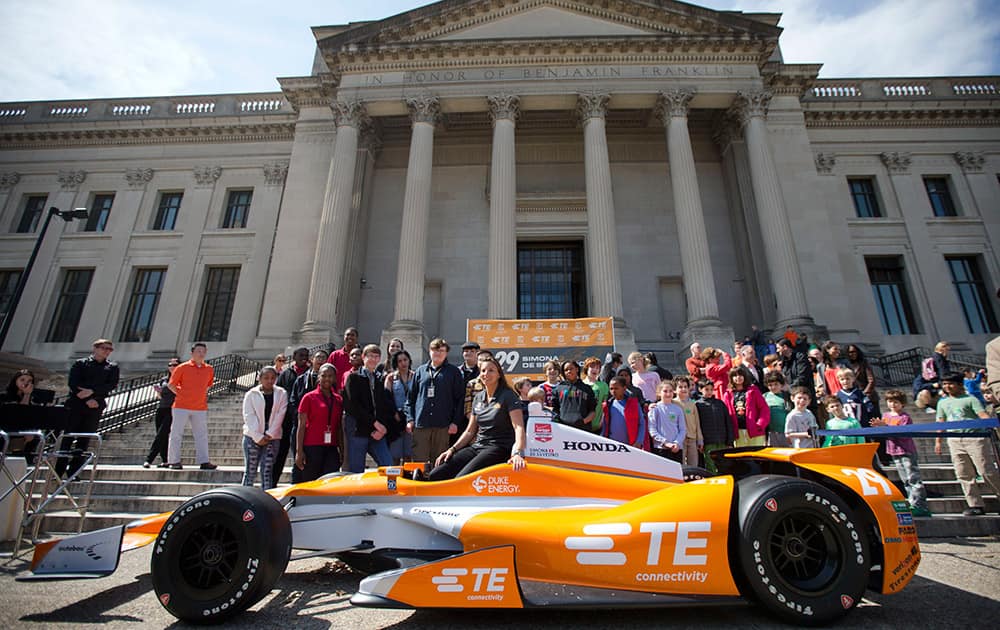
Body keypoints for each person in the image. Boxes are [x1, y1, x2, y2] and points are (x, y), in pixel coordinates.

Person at [429, 355, 526, 480]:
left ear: (499, 375)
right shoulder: (478, 397)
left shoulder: (508, 395)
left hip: (498, 448)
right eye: (483, 370)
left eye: (491, 370)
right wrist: (452, 450)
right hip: (477, 446)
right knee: (436, 474)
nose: (486, 374)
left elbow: (519, 428)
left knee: (461, 478)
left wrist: (518, 453)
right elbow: (470, 431)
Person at [934, 372, 1000, 516]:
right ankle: (975, 504)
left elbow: (982, 415)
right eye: (944, 384)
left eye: (950, 384)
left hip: (974, 437)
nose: (947, 387)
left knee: (985, 470)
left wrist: (992, 426)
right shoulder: (942, 402)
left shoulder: (970, 399)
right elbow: (941, 421)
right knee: (963, 473)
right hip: (954, 439)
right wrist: (938, 441)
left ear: (959, 385)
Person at [56, 338, 120, 478]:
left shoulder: (112, 367)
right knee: (67, 438)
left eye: (109, 349)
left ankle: (74, 472)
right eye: (104, 348)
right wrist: (87, 398)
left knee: (84, 440)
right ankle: (58, 471)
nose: (107, 352)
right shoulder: (80, 364)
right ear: (95, 348)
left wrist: (92, 392)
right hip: (76, 404)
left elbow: (111, 385)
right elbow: (74, 384)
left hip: (96, 405)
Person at [870, 390, 931, 517]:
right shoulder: (886, 416)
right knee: (905, 479)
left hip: (906, 450)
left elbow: (902, 434)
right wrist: (879, 427)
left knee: (913, 477)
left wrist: (885, 426)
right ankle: (911, 502)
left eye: (896, 402)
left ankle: (921, 505)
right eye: (890, 401)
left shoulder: (905, 418)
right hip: (893, 450)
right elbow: (884, 433)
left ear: (902, 404)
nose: (892, 404)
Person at [407, 338, 466, 464]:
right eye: (435, 350)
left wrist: (455, 422)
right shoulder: (420, 371)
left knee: (439, 462)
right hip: (421, 423)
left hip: (443, 425)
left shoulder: (454, 372)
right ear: (429, 351)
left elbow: (460, 399)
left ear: (446, 353)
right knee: (419, 461)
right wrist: (410, 419)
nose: (438, 353)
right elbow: (410, 398)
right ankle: (419, 483)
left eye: (441, 350)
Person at [342, 344, 394, 472]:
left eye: (376, 357)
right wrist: (375, 424)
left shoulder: (378, 379)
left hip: (376, 432)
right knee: (356, 470)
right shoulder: (353, 378)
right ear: (363, 357)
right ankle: (356, 493)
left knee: (388, 465)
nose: (373, 359)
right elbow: (353, 406)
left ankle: (387, 492)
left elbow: (382, 406)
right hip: (358, 431)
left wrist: (382, 427)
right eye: (370, 356)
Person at [166, 343, 217, 470]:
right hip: (181, 406)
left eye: (203, 351)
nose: (201, 353)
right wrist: (182, 394)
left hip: (200, 407)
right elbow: (171, 385)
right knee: (176, 433)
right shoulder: (182, 367)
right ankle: (174, 461)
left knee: (201, 434)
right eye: (198, 351)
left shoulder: (209, 369)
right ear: (192, 353)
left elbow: (209, 384)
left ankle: (204, 461)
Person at [295, 364, 343, 482]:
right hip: (312, 447)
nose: (327, 378)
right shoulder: (308, 398)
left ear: (334, 378)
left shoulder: (338, 399)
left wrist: (342, 450)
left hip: (331, 446)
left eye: (330, 376)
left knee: (330, 481)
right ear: (318, 377)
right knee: (310, 481)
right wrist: (299, 452)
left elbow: (339, 427)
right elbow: (301, 426)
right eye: (324, 375)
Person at [241, 366, 287, 488]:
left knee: (267, 471)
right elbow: (248, 415)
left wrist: (270, 434)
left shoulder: (281, 393)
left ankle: (267, 498)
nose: (269, 381)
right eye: (266, 378)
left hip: (272, 435)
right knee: (250, 471)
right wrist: (258, 436)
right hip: (253, 435)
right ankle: (245, 497)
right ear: (260, 378)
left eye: (272, 378)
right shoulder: (251, 394)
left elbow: (280, 414)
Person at [287, 350, 329, 483]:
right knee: (299, 461)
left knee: (316, 463)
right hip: (301, 426)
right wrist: (303, 416)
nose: (321, 360)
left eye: (324, 357)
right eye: (318, 357)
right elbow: (293, 402)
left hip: (318, 430)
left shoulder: (329, 381)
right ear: (312, 359)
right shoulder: (301, 379)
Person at [273, 347, 310, 486]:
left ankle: (297, 485)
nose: (304, 358)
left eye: (306, 356)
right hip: (286, 420)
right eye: (301, 355)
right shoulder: (286, 374)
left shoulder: (309, 374)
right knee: (279, 455)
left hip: (302, 421)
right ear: (294, 356)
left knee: (300, 455)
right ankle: (272, 482)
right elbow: (278, 394)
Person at [143, 358, 179, 468]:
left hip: (172, 408)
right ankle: (165, 460)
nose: (172, 367)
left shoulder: (181, 379)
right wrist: (158, 392)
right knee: (161, 434)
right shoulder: (164, 379)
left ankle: (149, 459)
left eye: (175, 365)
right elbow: (159, 396)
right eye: (170, 365)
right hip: (161, 407)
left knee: (161, 434)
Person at [723, 366, 770, 447]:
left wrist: (760, 424)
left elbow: (764, 409)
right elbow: (725, 414)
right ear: (731, 378)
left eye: (740, 375)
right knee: (741, 458)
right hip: (738, 433)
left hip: (754, 431)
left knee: (756, 457)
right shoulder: (728, 394)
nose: (738, 378)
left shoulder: (753, 391)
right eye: (735, 375)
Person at [695, 379, 733, 473]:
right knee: (710, 464)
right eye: (706, 389)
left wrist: (729, 441)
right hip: (708, 442)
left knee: (723, 464)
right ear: (700, 389)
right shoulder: (697, 405)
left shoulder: (720, 404)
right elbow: (696, 424)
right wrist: (700, 441)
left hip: (722, 441)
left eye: (711, 389)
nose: (709, 392)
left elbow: (727, 422)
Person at [385, 349, 415, 464]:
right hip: (396, 419)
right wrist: (394, 413)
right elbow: (387, 398)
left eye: (405, 360)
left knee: (409, 453)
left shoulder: (415, 376)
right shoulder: (391, 378)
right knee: (395, 454)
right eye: (400, 361)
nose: (403, 363)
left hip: (411, 419)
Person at [601, 377, 647, 450]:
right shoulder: (607, 405)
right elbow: (605, 426)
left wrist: (639, 441)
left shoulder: (634, 404)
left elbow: (642, 423)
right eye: (611, 389)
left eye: (616, 388)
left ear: (624, 388)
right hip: (612, 446)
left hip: (631, 446)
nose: (613, 391)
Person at [551, 360, 597, 431]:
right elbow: (554, 410)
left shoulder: (587, 389)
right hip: (563, 429)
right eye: (566, 370)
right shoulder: (557, 389)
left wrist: (583, 421)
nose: (569, 371)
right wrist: (559, 422)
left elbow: (593, 411)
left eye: (571, 368)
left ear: (577, 369)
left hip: (583, 429)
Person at [647, 380, 685, 462]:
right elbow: (652, 430)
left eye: (670, 391)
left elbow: (682, 429)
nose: (668, 394)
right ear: (659, 393)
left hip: (676, 448)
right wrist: (665, 442)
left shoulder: (678, 409)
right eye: (665, 391)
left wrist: (677, 443)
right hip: (661, 448)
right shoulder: (655, 409)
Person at [673, 376, 702, 466]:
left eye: (685, 386)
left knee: (693, 463)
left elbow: (697, 422)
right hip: (679, 439)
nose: (683, 389)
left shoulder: (692, 404)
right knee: (681, 464)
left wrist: (700, 439)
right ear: (674, 390)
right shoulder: (672, 403)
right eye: (680, 387)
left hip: (692, 437)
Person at [916, 341, 951, 411]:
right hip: (926, 396)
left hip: (933, 392)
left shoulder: (933, 360)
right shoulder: (939, 358)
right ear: (943, 349)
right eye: (947, 349)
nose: (948, 351)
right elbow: (943, 372)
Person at [777, 338, 813, 404]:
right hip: (793, 398)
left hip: (805, 398)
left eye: (778, 348)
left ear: (785, 347)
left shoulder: (800, 357)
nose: (777, 350)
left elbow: (802, 377)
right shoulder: (784, 362)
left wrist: (789, 387)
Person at [846, 344, 878, 411]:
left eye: (854, 351)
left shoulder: (864, 362)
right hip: (854, 398)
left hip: (869, 397)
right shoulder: (846, 365)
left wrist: (864, 394)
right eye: (850, 352)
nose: (853, 354)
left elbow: (871, 380)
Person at [763, 372, 791, 447]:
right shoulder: (764, 396)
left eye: (776, 384)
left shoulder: (787, 396)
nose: (773, 387)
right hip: (771, 432)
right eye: (770, 385)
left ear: (781, 384)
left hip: (786, 432)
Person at [582, 356, 610, 433]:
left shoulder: (603, 385)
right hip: (583, 424)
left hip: (598, 425)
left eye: (597, 368)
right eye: (592, 367)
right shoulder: (581, 384)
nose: (595, 369)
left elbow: (605, 405)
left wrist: (602, 421)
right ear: (586, 368)